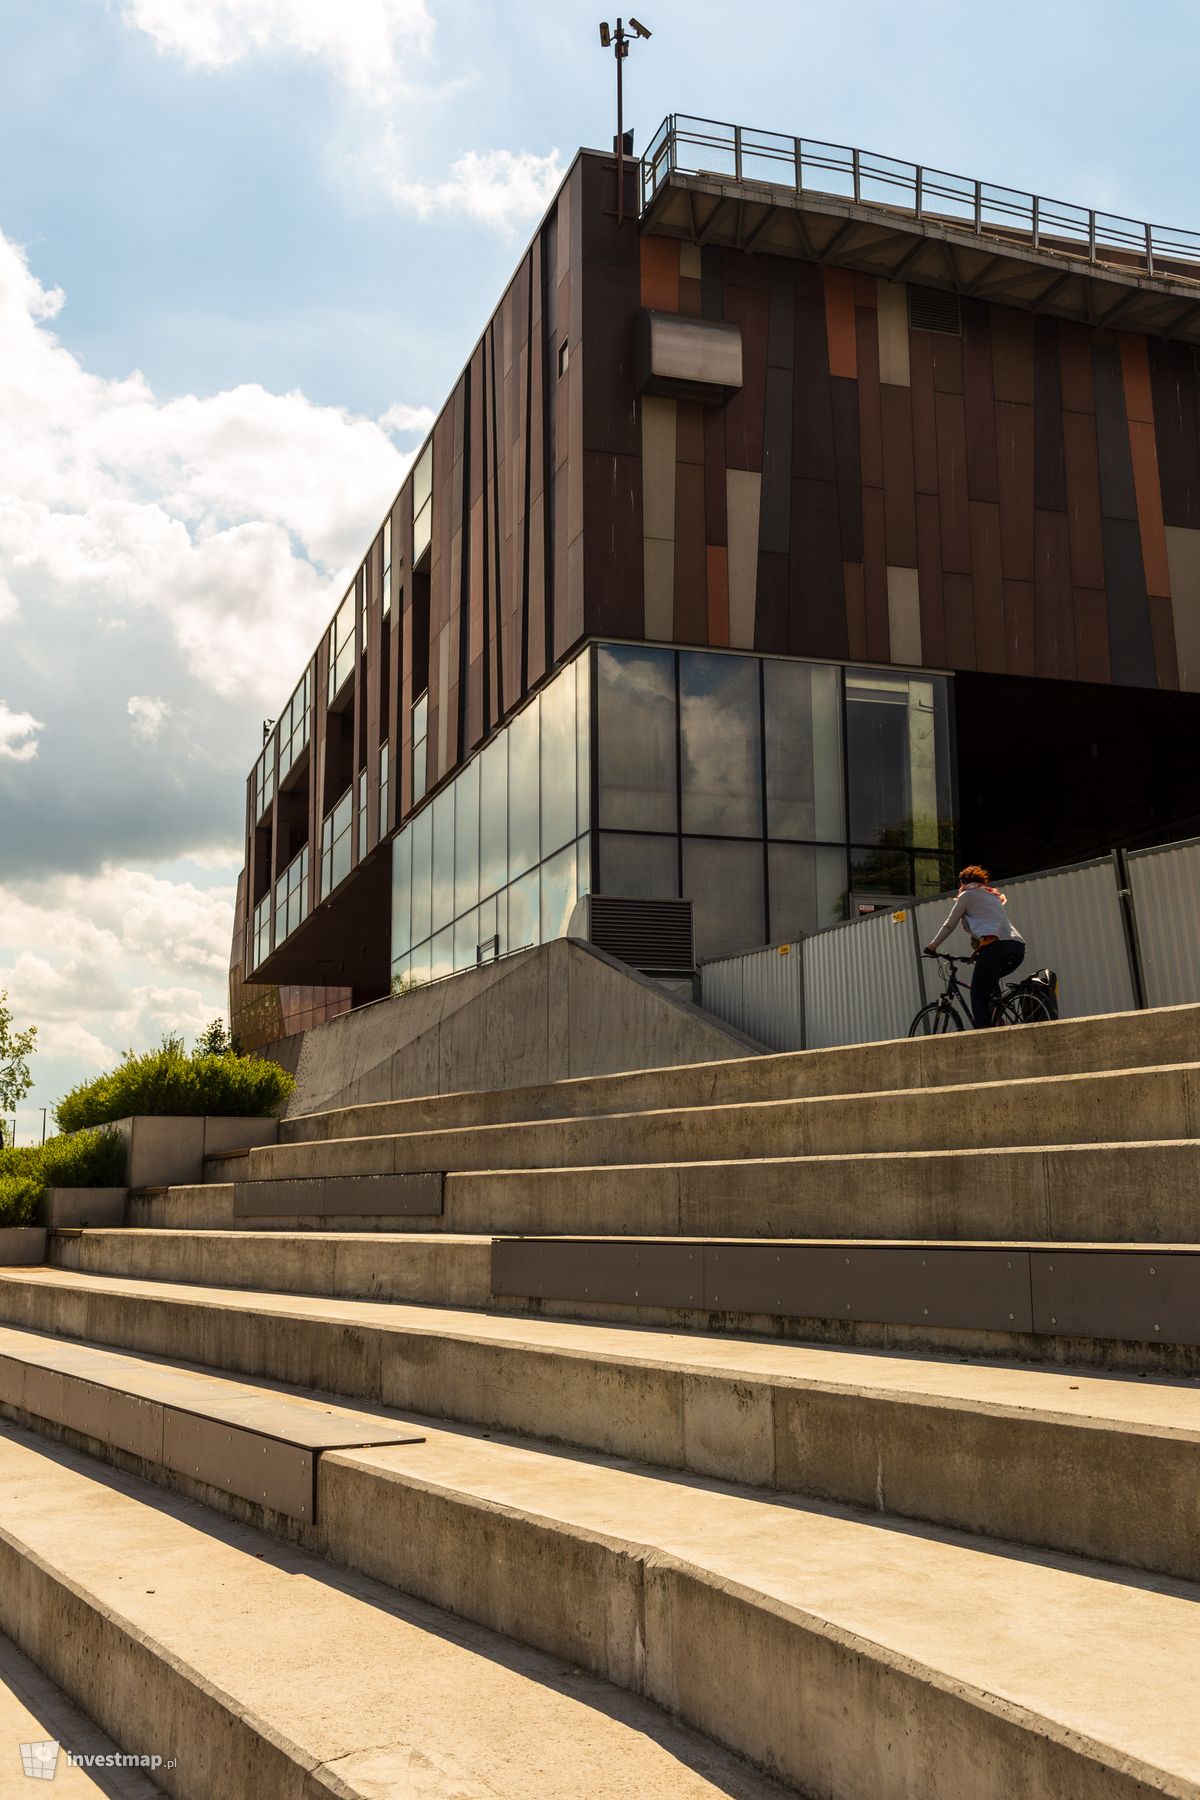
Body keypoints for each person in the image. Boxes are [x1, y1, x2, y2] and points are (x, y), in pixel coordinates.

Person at [924, 865, 1025, 1029]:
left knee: (977, 995)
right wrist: (978, 953)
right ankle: (999, 1021)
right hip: (1018, 947)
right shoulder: (991, 895)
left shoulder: (966, 895)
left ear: (962, 882)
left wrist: (932, 947)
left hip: (996, 947)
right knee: (989, 984)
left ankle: (984, 1037)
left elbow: (949, 925)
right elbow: (987, 926)